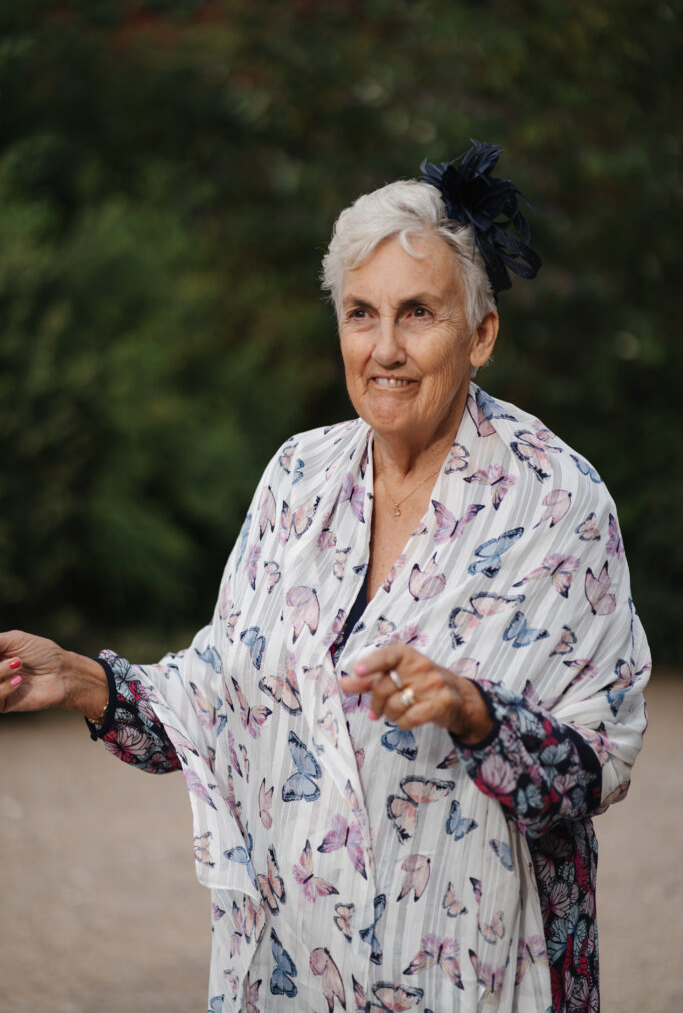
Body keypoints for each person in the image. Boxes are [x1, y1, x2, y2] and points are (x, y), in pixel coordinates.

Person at [0, 141, 649, 1013]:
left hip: (478, 966)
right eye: (359, 313)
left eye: (417, 313)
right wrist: (84, 681)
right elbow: (222, 695)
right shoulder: (297, 477)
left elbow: (589, 769)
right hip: (298, 966)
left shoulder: (557, 499)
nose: (384, 348)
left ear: (481, 334)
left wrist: (472, 710)